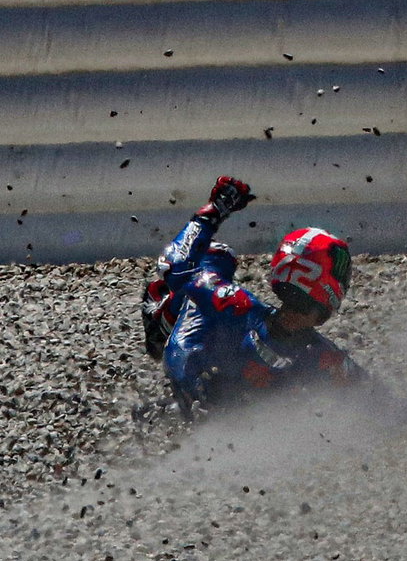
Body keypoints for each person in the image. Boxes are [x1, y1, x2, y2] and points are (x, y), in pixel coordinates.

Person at [141, 176, 363, 418]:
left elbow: (375, 397)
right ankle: (168, 326)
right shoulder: (233, 303)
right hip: (195, 390)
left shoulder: (323, 357)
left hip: (232, 418)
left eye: (305, 305)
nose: (294, 315)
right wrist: (212, 212)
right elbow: (175, 265)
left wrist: (214, 211)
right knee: (213, 260)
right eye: (293, 299)